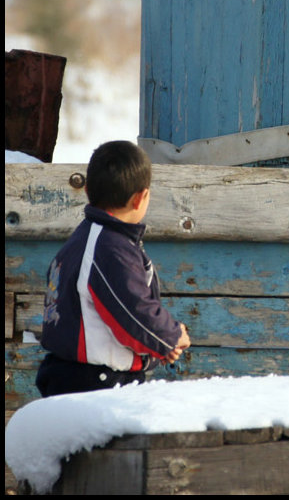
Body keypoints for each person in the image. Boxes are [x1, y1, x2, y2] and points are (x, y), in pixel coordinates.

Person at [36, 140, 191, 396]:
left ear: (87, 191)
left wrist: (156, 344)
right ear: (140, 198)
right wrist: (170, 337)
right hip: (96, 382)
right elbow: (132, 309)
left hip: (68, 374)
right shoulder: (110, 248)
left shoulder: (82, 241)